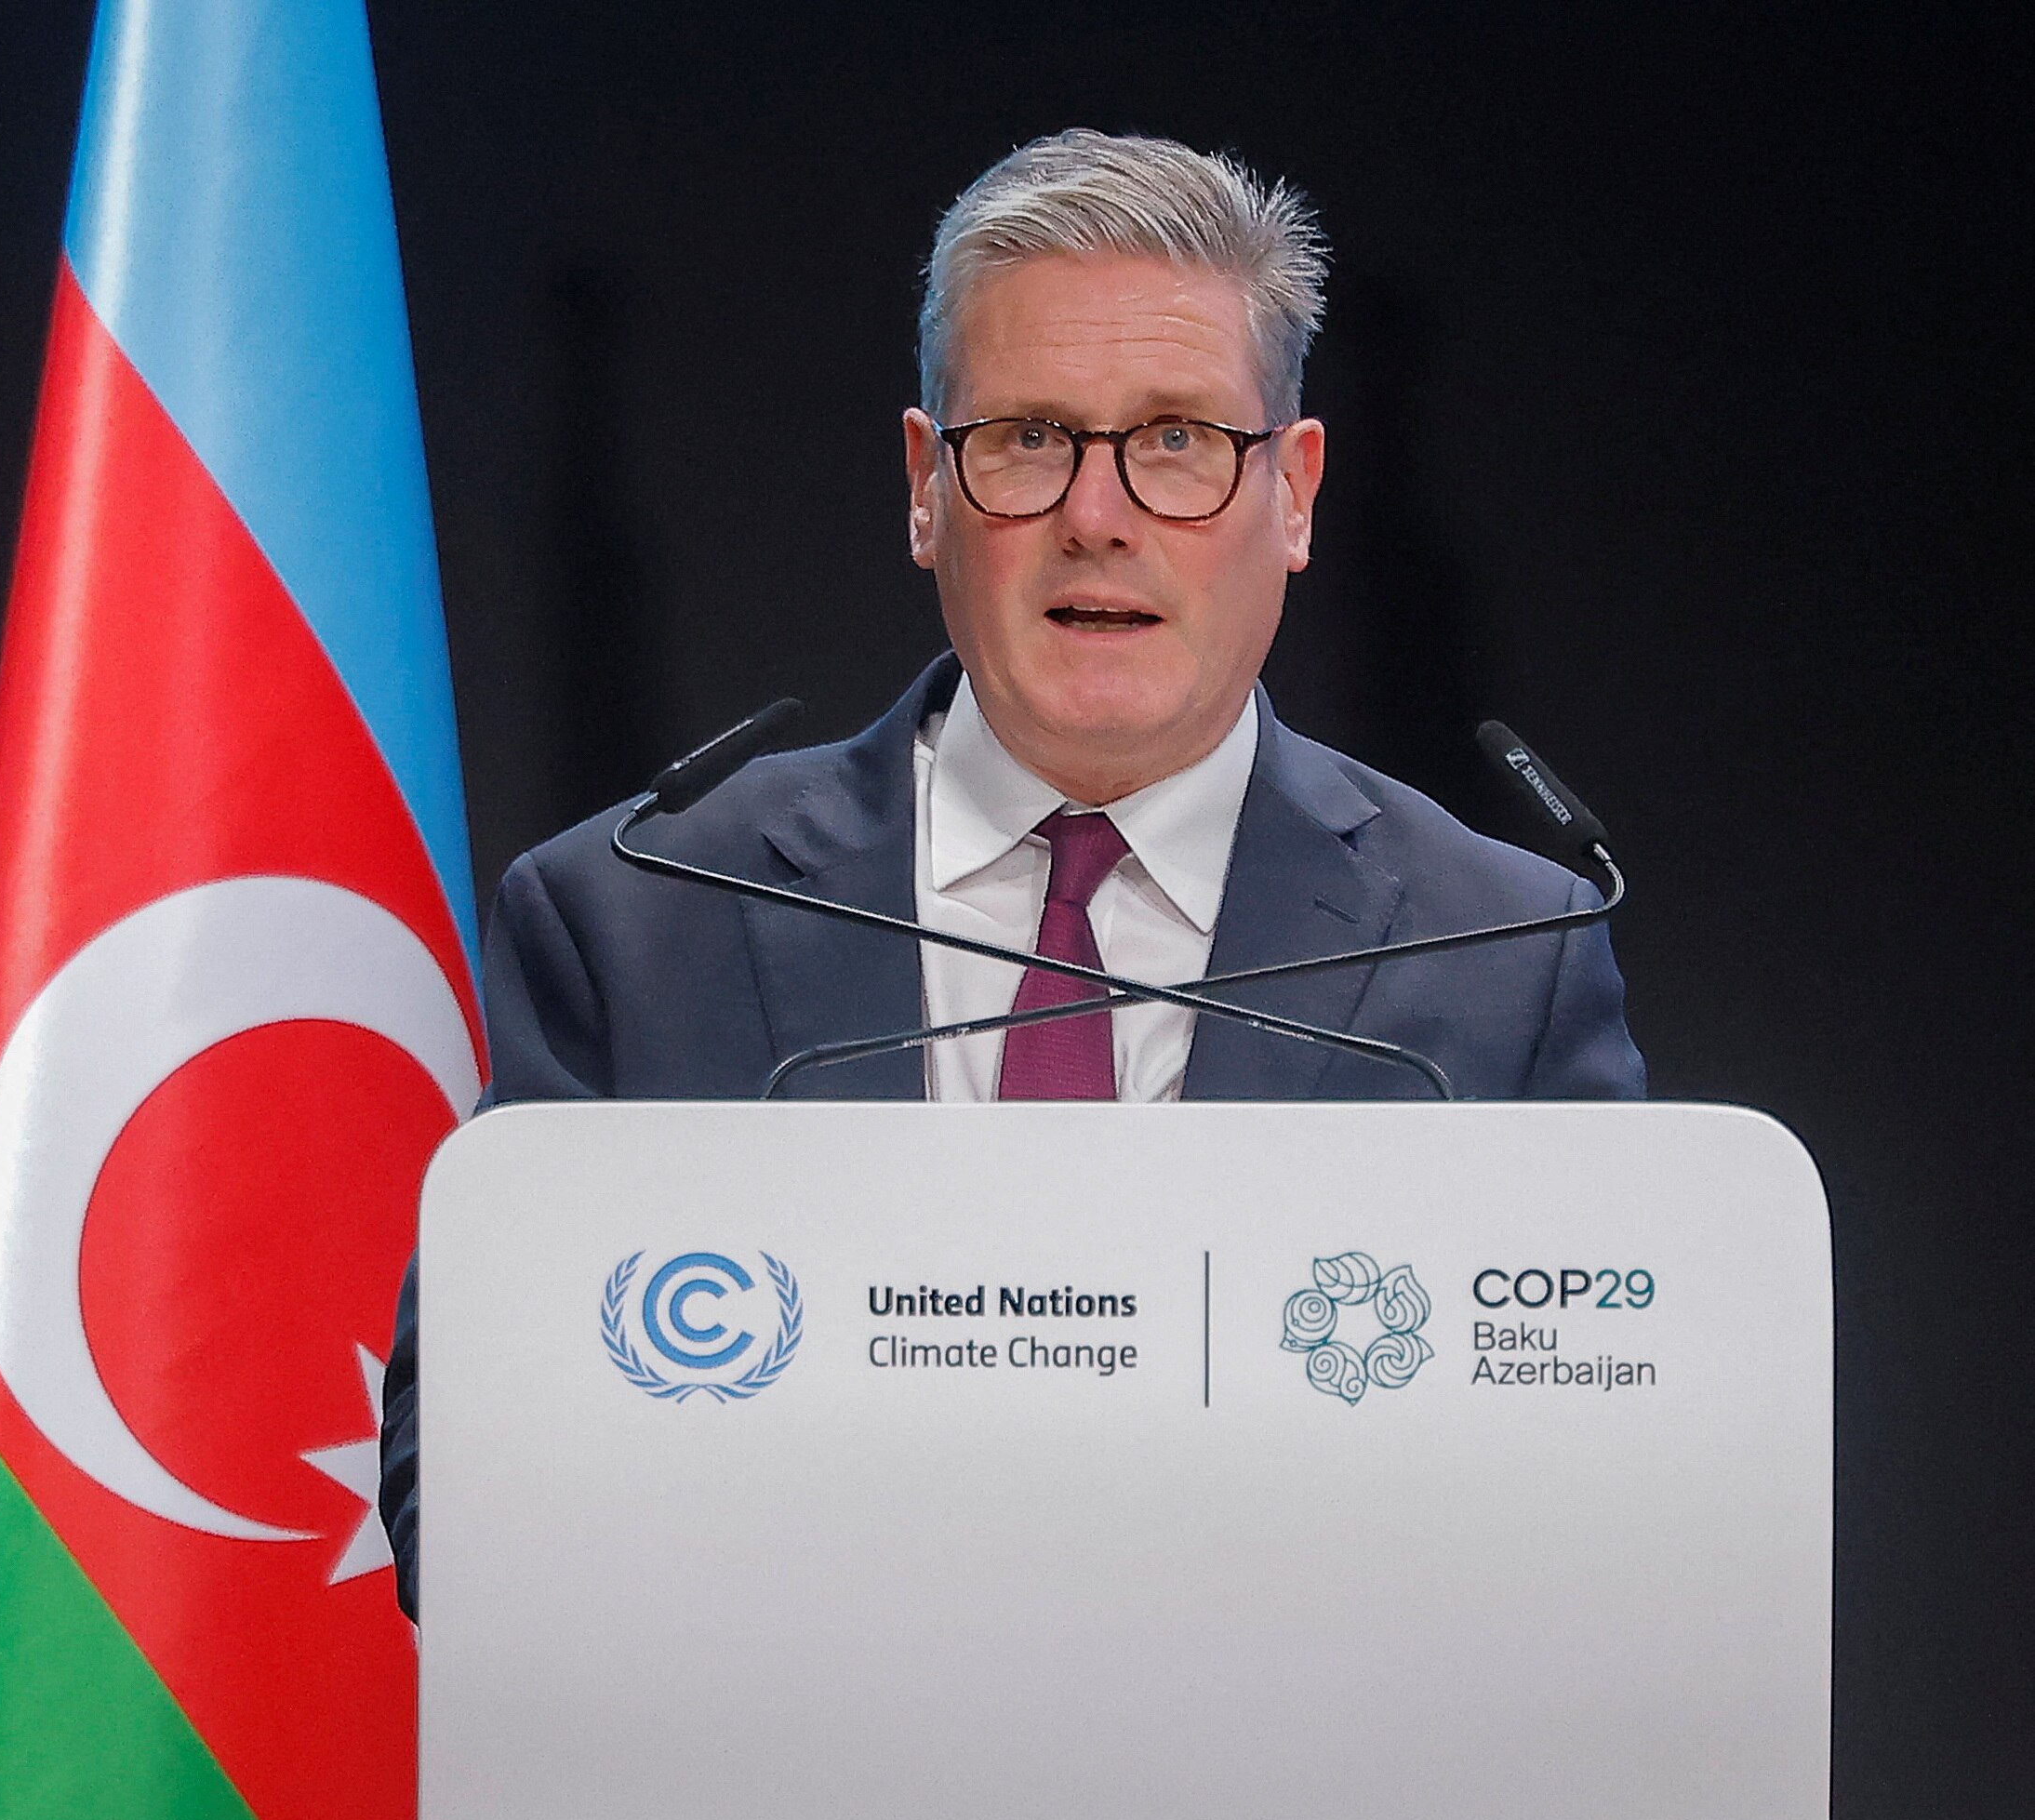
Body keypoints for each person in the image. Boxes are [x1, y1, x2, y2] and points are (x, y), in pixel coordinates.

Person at [379, 129, 1643, 1615]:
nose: (1095, 515)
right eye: (1029, 437)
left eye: (1176, 437)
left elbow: (1607, 1499)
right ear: (926, 487)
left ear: (1292, 495)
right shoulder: (634, 920)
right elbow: (456, 1489)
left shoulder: (1496, 953)